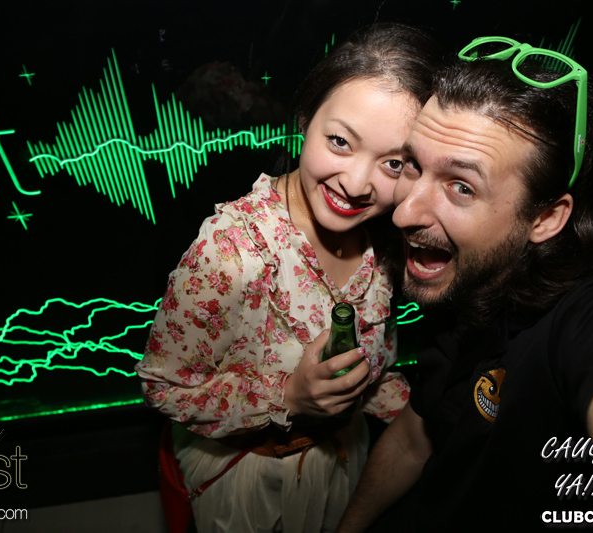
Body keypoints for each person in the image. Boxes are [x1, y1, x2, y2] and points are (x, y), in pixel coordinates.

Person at [337, 37, 593, 532]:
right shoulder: (464, 277)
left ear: (546, 218)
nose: (404, 212)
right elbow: (415, 436)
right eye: (413, 166)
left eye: (461, 186)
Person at [135, 23, 442, 533]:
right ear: (304, 120)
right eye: (340, 141)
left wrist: (438, 426)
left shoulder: (387, 242)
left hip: (344, 461)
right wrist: (289, 396)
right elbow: (163, 387)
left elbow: (375, 373)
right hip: (252, 483)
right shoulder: (231, 251)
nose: (356, 184)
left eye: (393, 163)